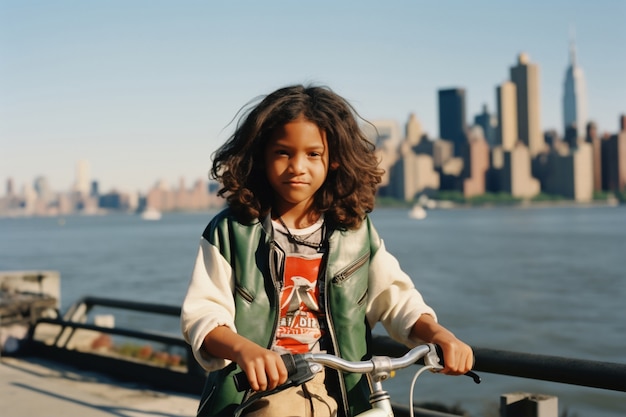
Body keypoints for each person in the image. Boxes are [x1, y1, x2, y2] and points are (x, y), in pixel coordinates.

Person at [181, 84, 474, 417]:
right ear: (260, 155)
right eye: (282, 152)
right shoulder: (230, 233)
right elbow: (203, 315)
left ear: (333, 160)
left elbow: (396, 298)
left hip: (346, 388)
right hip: (260, 389)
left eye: (313, 154)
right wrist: (246, 351)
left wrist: (438, 334)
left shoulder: (356, 232)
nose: (297, 166)